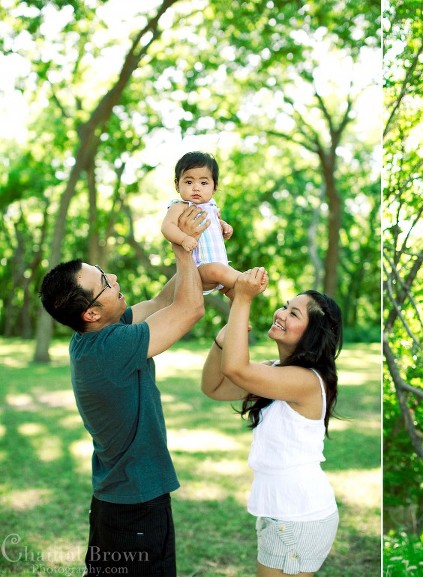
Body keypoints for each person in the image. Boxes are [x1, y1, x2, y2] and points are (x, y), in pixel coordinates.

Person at [38, 205, 210, 577]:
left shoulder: (93, 338)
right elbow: (189, 310)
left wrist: (201, 267)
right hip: (137, 506)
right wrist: (182, 247)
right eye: (103, 280)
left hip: (118, 502)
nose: (113, 277)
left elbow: (166, 302)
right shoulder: (110, 348)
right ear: (91, 313)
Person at [201, 267, 343, 577]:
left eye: (294, 314)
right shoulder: (276, 371)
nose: (281, 313)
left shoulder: (305, 381)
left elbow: (237, 369)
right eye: (285, 305)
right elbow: (214, 387)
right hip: (281, 513)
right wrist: (223, 339)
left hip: (299, 516)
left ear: (311, 334)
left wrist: (242, 300)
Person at [161, 151, 241, 293]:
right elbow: (167, 227)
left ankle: (241, 296)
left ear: (214, 187)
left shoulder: (211, 206)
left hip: (221, 266)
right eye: (189, 182)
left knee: (238, 294)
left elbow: (216, 222)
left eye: (203, 182)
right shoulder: (180, 206)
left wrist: (224, 226)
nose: (196, 187)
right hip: (198, 268)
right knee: (220, 271)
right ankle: (245, 279)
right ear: (177, 185)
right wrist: (184, 238)